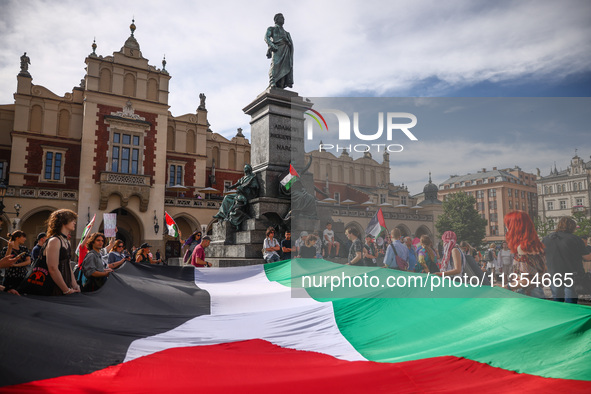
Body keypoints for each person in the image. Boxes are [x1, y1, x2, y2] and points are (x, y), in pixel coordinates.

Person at [543, 216, 591, 303]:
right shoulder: (575, 239)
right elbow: (587, 257)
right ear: (572, 227)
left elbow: (542, 256)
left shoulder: (546, 239)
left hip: (553, 274)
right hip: (571, 274)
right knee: (571, 301)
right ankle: (571, 315)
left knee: (557, 300)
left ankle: (560, 315)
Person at [504, 211, 547, 298]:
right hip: (537, 292)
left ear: (515, 227)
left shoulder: (522, 249)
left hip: (526, 294)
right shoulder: (537, 246)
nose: (506, 228)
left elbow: (526, 281)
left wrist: (505, 287)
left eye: (507, 224)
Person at [44, 209, 80, 295]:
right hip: (54, 288)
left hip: (65, 286)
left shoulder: (66, 241)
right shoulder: (55, 240)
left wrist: (74, 285)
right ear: (63, 222)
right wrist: (66, 290)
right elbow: (52, 269)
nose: (74, 223)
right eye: (72, 220)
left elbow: (68, 265)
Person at [265, 13, 294, 89]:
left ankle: (281, 85)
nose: (283, 19)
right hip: (277, 49)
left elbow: (291, 44)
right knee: (275, 65)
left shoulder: (287, 33)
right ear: (276, 19)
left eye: (283, 18)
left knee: (285, 68)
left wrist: (288, 43)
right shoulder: (271, 29)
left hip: (286, 50)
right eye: (281, 17)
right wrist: (272, 45)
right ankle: (272, 82)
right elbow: (266, 37)